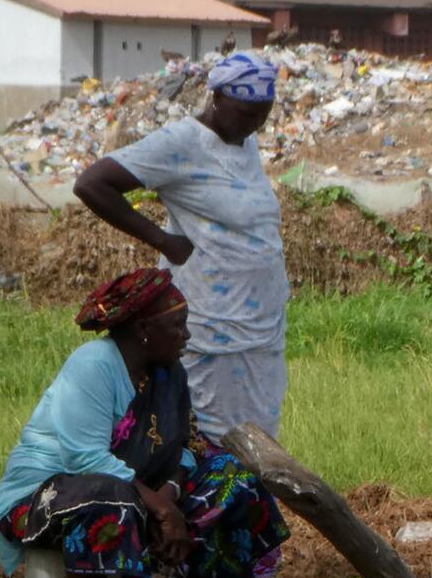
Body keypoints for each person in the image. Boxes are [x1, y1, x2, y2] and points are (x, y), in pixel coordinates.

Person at [0, 269, 288, 578]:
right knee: (109, 496)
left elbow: (186, 448)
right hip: (45, 498)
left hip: (138, 493)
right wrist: (160, 509)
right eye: (177, 325)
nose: (187, 335)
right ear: (144, 330)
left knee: (232, 476)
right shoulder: (94, 365)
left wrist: (169, 498)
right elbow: (84, 459)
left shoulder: (168, 372)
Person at [74, 51, 290, 439]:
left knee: (260, 436)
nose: (255, 123)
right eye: (246, 113)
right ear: (218, 98)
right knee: (208, 435)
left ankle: (247, 500)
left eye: (264, 114)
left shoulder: (245, 142)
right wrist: (163, 239)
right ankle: (200, 499)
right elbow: (92, 184)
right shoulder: (182, 143)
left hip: (261, 328)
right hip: (213, 329)